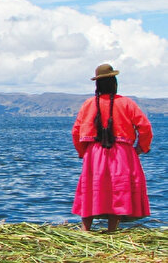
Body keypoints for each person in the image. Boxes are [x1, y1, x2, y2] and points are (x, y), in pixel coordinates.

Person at [72, 63, 152, 232]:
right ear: (114, 83)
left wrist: (82, 152)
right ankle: (112, 230)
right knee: (118, 188)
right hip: (122, 153)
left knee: (92, 187)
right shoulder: (126, 103)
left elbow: (76, 131)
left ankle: (85, 230)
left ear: (97, 85)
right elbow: (145, 127)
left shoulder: (88, 104)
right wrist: (141, 148)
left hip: (94, 153)